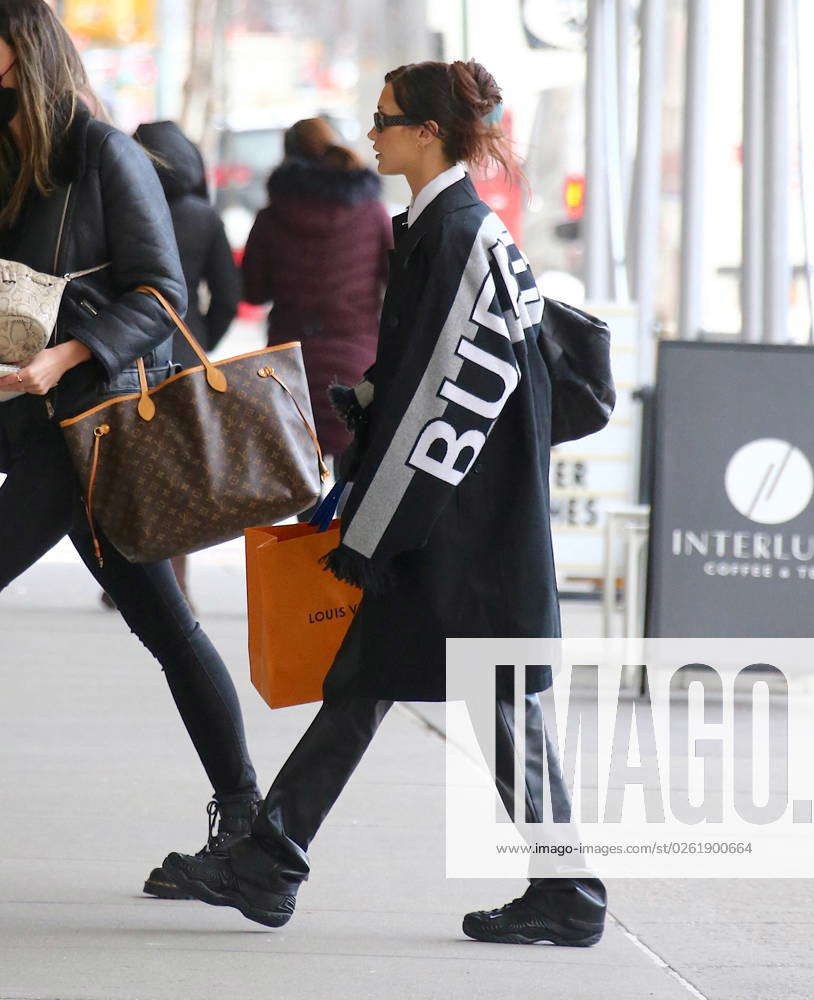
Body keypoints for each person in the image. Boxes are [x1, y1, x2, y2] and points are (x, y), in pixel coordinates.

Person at [162, 59, 607, 944]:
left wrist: (372, 530)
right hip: (458, 522)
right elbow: (430, 382)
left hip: (457, 526)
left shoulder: (455, 237)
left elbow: (451, 398)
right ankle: (272, 860)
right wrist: (367, 411)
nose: (371, 131)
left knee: (467, 690)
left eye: (385, 117)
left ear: (429, 133)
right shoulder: (439, 229)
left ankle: (567, 892)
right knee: (378, 680)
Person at [0, 0, 260, 897]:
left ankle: (250, 828)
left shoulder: (103, 153)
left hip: (89, 435)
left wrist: (60, 359)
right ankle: (250, 826)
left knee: (173, 632)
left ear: (18, 49)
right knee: (171, 632)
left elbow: (164, 297)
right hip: (30, 432)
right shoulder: (13, 157)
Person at [240, 117, 391, 478]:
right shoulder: (372, 213)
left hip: (289, 366)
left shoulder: (272, 217)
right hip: (357, 363)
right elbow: (395, 280)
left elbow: (254, 293)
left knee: (300, 478)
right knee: (352, 481)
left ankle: (306, 533)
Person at [129, 120, 241, 604]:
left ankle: (131, 579)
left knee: (133, 466)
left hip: (126, 352)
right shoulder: (203, 216)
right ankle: (178, 583)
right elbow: (229, 294)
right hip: (185, 355)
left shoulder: (126, 207)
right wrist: (203, 339)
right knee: (182, 473)